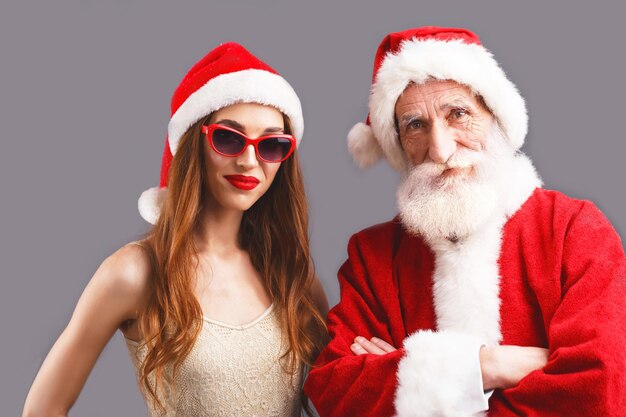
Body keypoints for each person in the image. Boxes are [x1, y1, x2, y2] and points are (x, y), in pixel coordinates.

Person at [304, 26, 626, 417]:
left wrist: (414, 378)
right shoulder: (373, 256)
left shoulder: (575, 230)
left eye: (458, 114)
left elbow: (597, 392)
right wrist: (488, 366)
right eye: (415, 125)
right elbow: (335, 390)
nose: (440, 149)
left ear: (495, 116)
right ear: (399, 144)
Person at [23, 42, 329, 417]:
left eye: (271, 145)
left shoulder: (293, 274)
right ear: (192, 143)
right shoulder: (137, 271)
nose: (249, 160)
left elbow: (340, 399)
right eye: (229, 138)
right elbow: (42, 408)